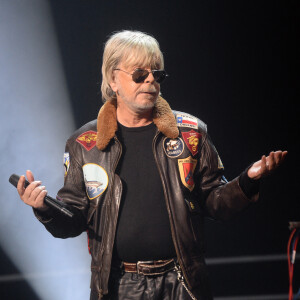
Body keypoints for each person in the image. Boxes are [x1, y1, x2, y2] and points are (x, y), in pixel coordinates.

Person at [17, 30, 287, 300]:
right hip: (119, 286)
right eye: (139, 74)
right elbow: (73, 220)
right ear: (113, 78)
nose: (150, 81)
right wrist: (44, 207)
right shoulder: (83, 144)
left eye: (156, 74)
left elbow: (215, 202)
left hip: (183, 283)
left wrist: (248, 179)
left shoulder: (191, 133)